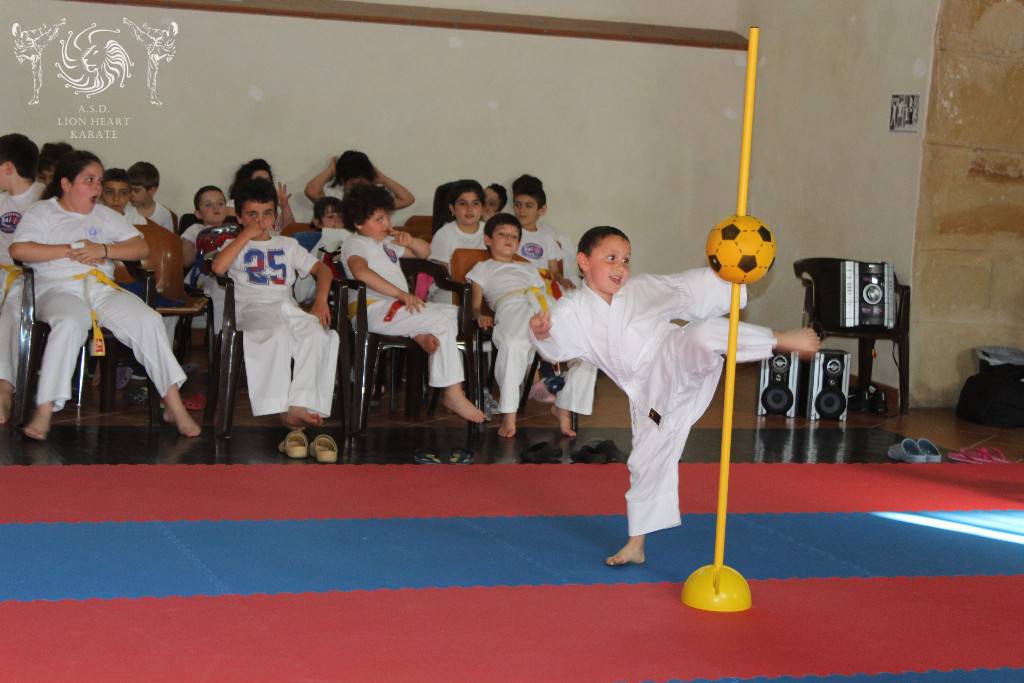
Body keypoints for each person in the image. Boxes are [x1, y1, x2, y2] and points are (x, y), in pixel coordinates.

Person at [529, 226, 820, 566]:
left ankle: (782, 339)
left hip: (675, 357)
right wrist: (541, 334)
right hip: (648, 392)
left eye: (625, 260)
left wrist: (731, 273)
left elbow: (686, 290)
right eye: (610, 258)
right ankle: (636, 544)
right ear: (583, 262)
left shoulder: (641, 290)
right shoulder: (572, 310)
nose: (620, 267)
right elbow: (555, 346)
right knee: (644, 462)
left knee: (703, 332)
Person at [10, 150, 200, 440]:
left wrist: (103, 250)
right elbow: (19, 251)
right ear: (66, 184)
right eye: (90, 180)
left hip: (100, 288)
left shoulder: (105, 216)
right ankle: (45, 409)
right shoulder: (43, 212)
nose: (97, 188)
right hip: (57, 289)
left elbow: (141, 248)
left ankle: (173, 404)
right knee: (70, 322)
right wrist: (72, 250)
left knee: (147, 319)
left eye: (99, 180)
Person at [211, 179, 339, 455]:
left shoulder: (287, 244)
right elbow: (219, 268)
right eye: (252, 214)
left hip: (286, 305)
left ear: (275, 215)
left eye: (267, 213)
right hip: (252, 309)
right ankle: (280, 408)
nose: (260, 220)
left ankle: (301, 403)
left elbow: (323, 270)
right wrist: (244, 236)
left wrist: (319, 301)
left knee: (320, 334)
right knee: (274, 335)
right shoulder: (234, 245)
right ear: (239, 216)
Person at [339, 183, 483, 424]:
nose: (386, 224)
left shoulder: (386, 245)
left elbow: (425, 253)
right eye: (378, 219)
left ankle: (420, 334)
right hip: (373, 309)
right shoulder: (355, 244)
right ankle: (453, 392)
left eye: (386, 217)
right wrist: (400, 294)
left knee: (457, 314)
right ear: (358, 224)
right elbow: (361, 272)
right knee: (440, 320)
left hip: (397, 310)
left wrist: (411, 240)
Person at [467, 213, 593, 438]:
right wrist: (479, 317)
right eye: (502, 234)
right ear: (487, 239)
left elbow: (544, 297)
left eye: (514, 236)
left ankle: (564, 405)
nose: (509, 239)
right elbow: (475, 306)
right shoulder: (482, 267)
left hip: (539, 303)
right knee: (513, 343)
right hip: (510, 306)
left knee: (585, 350)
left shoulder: (529, 268)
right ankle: (509, 415)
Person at [0, 133, 45, 424]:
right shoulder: (2, 202)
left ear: (7, 168)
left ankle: (4, 391)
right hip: (4, 274)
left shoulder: (48, 199)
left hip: (35, 279)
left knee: (12, 312)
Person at [304, 150, 415, 210]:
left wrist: (383, 179)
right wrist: (331, 171)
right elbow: (311, 192)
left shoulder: (374, 197)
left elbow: (407, 199)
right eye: (354, 184)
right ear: (343, 180)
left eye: (364, 184)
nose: (359, 188)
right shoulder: (333, 195)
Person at [428, 180, 485, 269]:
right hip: (451, 282)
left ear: (482, 208)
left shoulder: (491, 231)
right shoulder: (444, 234)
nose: (469, 209)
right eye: (462, 204)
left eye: (475, 203)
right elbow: (440, 274)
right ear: (452, 209)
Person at [229, 159, 295, 232]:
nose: (263, 184)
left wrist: (284, 206)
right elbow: (234, 233)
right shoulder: (233, 204)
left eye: (267, 180)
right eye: (259, 180)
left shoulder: (271, 204)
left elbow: (290, 233)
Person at [125, 161, 177, 232]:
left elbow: (169, 241)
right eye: (129, 190)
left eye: (136, 191)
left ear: (152, 191)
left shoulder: (164, 214)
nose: (131, 194)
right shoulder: (124, 209)